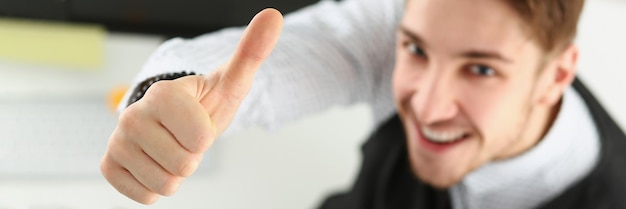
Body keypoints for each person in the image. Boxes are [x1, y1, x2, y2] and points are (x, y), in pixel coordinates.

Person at [101, 0, 626, 208]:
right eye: (416, 50)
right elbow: (301, 57)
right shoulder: (410, 20)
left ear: (555, 75)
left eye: (481, 69)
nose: (428, 104)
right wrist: (170, 94)